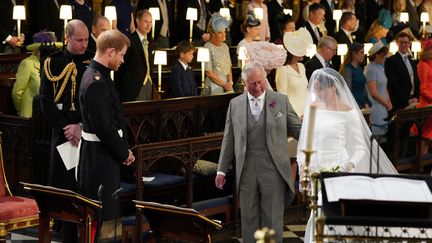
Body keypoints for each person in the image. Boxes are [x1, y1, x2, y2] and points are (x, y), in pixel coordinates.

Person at [297, 68, 398, 243]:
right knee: (318, 214)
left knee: (333, 218)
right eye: (315, 89)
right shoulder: (313, 111)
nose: (317, 93)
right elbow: (305, 143)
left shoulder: (348, 113)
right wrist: (302, 169)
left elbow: (360, 147)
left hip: (341, 171)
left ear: (333, 88)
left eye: (320, 89)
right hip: (316, 171)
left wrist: (346, 167)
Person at [215, 61, 302, 243]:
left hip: (273, 167)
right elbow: (228, 138)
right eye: (252, 83)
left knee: (272, 218)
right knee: (248, 218)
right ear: (244, 83)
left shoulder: (279, 100)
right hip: (246, 168)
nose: (257, 87)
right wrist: (221, 170)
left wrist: (317, 142)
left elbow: (297, 129)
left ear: (265, 79)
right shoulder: (235, 104)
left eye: (260, 82)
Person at [78, 29, 134, 239]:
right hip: (99, 158)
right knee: (103, 216)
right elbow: (104, 128)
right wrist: (124, 152)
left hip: (104, 156)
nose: (122, 60)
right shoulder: (95, 81)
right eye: (121, 55)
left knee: (110, 214)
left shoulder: (98, 76)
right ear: (111, 51)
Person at [39, 19, 91, 242]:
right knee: (62, 185)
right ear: (67, 38)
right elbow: (45, 100)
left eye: (87, 39)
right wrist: (65, 127)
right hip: (62, 131)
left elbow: (94, 101)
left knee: (81, 186)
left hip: (84, 131)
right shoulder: (53, 62)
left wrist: (80, 126)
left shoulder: (91, 62)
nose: (84, 44)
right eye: (79, 40)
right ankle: (62, 231)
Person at [275, 28, 312, 181]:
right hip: (293, 115)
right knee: (292, 155)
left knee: (306, 154)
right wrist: (295, 117)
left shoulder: (302, 67)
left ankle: (304, 191)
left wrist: (309, 111)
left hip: (306, 112)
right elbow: (282, 96)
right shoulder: (282, 70)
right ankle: (290, 191)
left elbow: (307, 90)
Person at [12, 31, 61, 118]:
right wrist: (21, 110)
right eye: (42, 50)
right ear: (36, 50)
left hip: (50, 116)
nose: (47, 53)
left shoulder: (54, 64)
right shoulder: (27, 63)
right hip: (30, 115)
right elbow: (17, 92)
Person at [115, 10, 154, 101]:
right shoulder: (129, 41)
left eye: (150, 22)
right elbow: (121, 68)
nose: (148, 25)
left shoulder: (151, 41)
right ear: (137, 21)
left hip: (149, 85)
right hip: (133, 88)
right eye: (145, 21)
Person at [365, 41, 392, 138]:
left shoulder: (380, 68)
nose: (384, 57)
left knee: (382, 137)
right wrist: (385, 103)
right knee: (376, 138)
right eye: (383, 55)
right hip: (376, 107)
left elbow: (384, 87)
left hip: (383, 106)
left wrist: (388, 102)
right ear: (376, 55)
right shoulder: (370, 69)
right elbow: (373, 92)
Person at [411, 38, 432, 154]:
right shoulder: (423, 65)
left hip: (430, 103)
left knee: (427, 138)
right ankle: (419, 168)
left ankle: (423, 168)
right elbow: (423, 89)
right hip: (426, 103)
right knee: (424, 137)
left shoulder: (430, 64)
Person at [204, 13, 233, 94]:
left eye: (224, 32)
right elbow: (209, 72)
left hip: (227, 85)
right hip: (214, 84)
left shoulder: (225, 46)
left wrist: (230, 82)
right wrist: (224, 84)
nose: (224, 35)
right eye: (220, 33)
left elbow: (229, 67)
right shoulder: (207, 47)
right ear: (213, 33)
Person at [340, 42, 370, 108]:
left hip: (362, 102)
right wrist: (357, 105)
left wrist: (366, 102)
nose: (364, 55)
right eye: (361, 52)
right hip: (354, 104)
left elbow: (363, 88)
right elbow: (348, 90)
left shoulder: (359, 68)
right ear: (354, 54)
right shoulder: (347, 69)